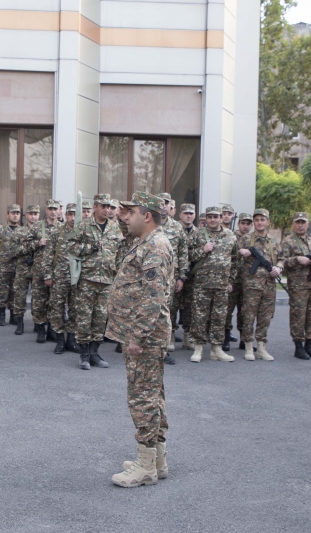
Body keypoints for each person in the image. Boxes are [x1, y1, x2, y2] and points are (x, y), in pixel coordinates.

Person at [107, 192, 173, 488]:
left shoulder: (155, 246)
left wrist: (138, 336)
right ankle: (156, 458)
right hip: (144, 333)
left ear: (146, 216)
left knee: (142, 398)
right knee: (153, 395)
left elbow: (153, 297)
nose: (125, 216)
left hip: (144, 336)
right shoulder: (145, 241)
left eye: (130, 212)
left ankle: (145, 466)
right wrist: (123, 214)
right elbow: (126, 231)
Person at [68, 193, 121, 370]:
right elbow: (71, 246)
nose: (107, 210)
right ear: (96, 207)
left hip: (107, 279)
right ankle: (84, 354)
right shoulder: (84, 226)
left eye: (109, 207)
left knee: (100, 318)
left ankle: (94, 353)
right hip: (87, 279)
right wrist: (90, 247)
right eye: (103, 206)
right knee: (84, 318)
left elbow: (120, 251)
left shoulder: (115, 228)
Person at [276, 212, 311, 360]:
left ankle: (310, 345)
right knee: (298, 317)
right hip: (298, 286)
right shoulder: (287, 242)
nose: (300, 225)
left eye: (303, 222)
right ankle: (298, 347)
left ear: (308, 224)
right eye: (298, 222)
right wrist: (297, 259)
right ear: (293, 224)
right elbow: (282, 261)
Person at [188, 206, 238, 362]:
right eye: (209, 217)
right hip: (202, 283)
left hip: (222, 284)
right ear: (206, 218)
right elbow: (187, 255)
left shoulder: (230, 236)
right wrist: (202, 250)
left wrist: (230, 280)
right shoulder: (197, 235)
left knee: (220, 317)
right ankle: (198, 348)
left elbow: (235, 260)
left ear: (221, 218)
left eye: (216, 217)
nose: (212, 219)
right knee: (199, 316)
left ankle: (217, 349)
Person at [236, 209, 279, 361]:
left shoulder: (273, 241)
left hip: (269, 284)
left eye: (263, 219)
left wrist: (279, 268)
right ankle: (248, 345)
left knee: (265, 316)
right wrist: (241, 251)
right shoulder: (247, 239)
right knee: (248, 315)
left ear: (268, 222)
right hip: (251, 285)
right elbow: (233, 255)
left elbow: (281, 258)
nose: (260, 222)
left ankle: (261, 347)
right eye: (257, 220)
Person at [23, 200, 61, 343]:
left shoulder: (63, 228)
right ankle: (40, 329)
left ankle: (52, 330)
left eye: (55, 209)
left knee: (55, 302)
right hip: (39, 270)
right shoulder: (37, 226)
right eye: (50, 209)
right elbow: (24, 245)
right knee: (39, 301)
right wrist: (37, 243)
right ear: (46, 210)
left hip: (56, 270)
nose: (52, 212)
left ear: (58, 211)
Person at [44, 203, 80, 354]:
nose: (72, 218)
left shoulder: (83, 233)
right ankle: (59, 339)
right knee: (57, 308)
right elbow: (47, 255)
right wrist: (48, 275)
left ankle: (71, 340)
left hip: (77, 277)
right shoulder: (57, 232)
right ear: (65, 215)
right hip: (59, 277)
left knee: (75, 308)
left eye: (75, 214)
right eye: (70, 214)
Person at [158, 193, 187, 365]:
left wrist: (182, 277)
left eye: (166, 203)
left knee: (166, 314)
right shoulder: (148, 223)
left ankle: (163, 349)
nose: (163, 206)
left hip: (169, 278)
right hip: (149, 277)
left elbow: (183, 253)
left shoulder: (177, 228)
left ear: (170, 207)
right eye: (160, 203)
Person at [225, 213, 254, 351]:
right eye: (243, 223)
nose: (246, 226)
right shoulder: (230, 236)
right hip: (233, 280)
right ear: (239, 224)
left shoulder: (254, 239)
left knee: (245, 312)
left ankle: (245, 339)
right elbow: (225, 254)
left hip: (248, 281)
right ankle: (225, 338)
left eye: (248, 224)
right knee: (227, 310)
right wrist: (238, 252)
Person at [10, 205, 40, 335]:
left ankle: (37, 323)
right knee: (19, 296)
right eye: (31, 214)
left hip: (37, 268)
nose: (33, 216)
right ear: (26, 215)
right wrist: (33, 245)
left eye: (36, 214)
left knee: (38, 297)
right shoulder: (19, 232)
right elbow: (14, 251)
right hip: (22, 267)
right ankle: (20, 322)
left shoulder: (43, 231)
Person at [177, 203, 198, 350]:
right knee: (173, 306)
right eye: (185, 213)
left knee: (190, 307)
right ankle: (170, 336)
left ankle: (187, 337)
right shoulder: (174, 229)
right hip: (177, 274)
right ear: (180, 215)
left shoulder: (199, 233)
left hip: (192, 275)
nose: (188, 216)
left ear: (195, 215)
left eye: (191, 213)